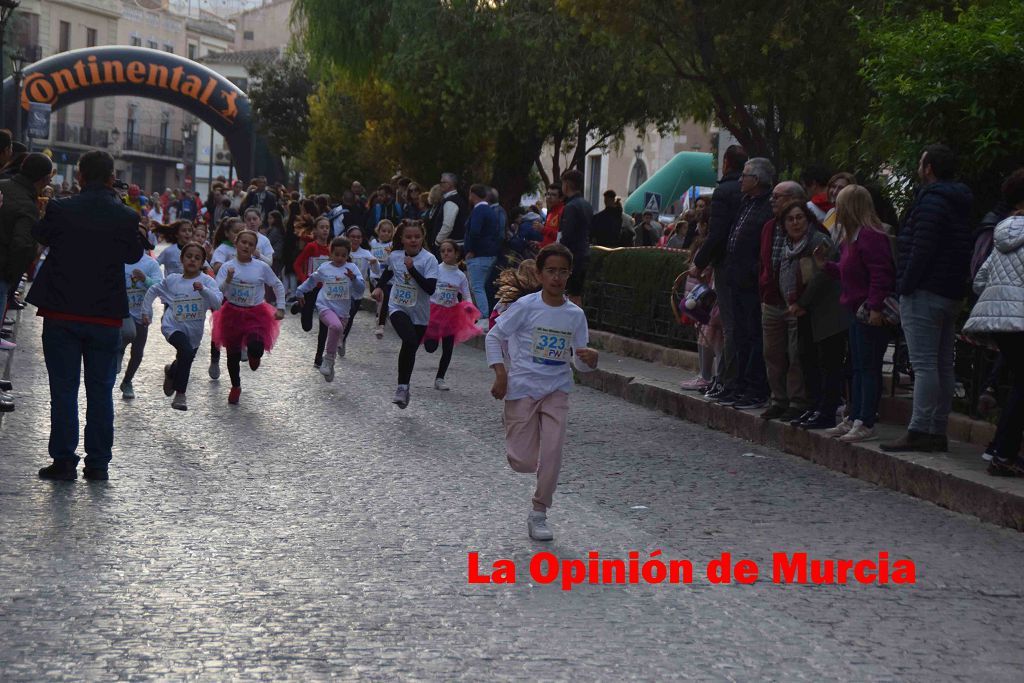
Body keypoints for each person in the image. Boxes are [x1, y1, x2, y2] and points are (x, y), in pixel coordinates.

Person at [28, 150, 150, 481]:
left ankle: (64, 460)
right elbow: (133, 254)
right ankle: (98, 463)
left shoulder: (61, 208)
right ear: (112, 178)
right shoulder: (125, 216)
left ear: (80, 177)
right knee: (100, 392)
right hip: (106, 313)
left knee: (63, 389)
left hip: (62, 310)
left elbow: (40, 235)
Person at [485, 243, 598, 541]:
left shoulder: (575, 315)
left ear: (569, 275)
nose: (557, 278)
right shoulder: (526, 307)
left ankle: (539, 512)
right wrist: (500, 372)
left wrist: (590, 361)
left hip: (557, 389)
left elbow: (579, 360)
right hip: (522, 387)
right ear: (539, 273)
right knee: (522, 461)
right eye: (551, 271)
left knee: (552, 452)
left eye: (563, 272)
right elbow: (494, 336)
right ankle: (514, 426)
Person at [881, 144, 973, 453]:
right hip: (950, 290)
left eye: (922, 163)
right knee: (943, 363)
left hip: (926, 290)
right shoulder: (959, 201)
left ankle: (920, 428)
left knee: (924, 364)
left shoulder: (931, 201)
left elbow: (922, 247)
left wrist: (906, 284)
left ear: (929, 167)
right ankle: (936, 429)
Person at [819, 185, 896, 442]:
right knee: (857, 368)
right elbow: (845, 270)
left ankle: (865, 419)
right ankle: (854, 416)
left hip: (867, 310)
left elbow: (880, 273)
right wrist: (826, 266)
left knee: (868, 367)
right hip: (854, 308)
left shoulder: (870, 236)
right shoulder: (851, 238)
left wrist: (875, 306)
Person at [963, 169, 1024, 476]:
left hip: (997, 320)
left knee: (1019, 385)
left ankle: (1000, 449)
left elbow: (980, 280)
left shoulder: (1002, 231)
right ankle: (1004, 454)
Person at [688, 145, 748, 401]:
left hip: (728, 266)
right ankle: (729, 379)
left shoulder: (724, 191)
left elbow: (718, 233)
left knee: (729, 327)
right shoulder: (750, 195)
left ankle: (727, 380)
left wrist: (699, 263)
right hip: (749, 267)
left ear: (726, 163)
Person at [716, 157, 775, 410]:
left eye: (746, 176)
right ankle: (738, 384)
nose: (741, 179)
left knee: (753, 336)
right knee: (740, 334)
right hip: (735, 279)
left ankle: (754, 387)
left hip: (751, 283)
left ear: (758, 180)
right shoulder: (745, 203)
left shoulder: (767, 208)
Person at [141, 242, 223, 410]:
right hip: (172, 327)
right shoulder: (172, 280)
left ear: (202, 263)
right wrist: (146, 312)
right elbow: (153, 291)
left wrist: (204, 291)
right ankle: (180, 395)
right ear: (182, 259)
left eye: (197, 258)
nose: (192, 260)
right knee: (185, 352)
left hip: (194, 332)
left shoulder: (207, 281)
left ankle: (171, 371)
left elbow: (218, 304)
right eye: (189, 256)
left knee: (186, 356)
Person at [212, 230, 286, 404]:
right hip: (232, 313)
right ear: (236, 243)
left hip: (256, 313)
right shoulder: (227, 267)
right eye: (243, 242)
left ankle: (254, 355)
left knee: (256, 346)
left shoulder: (261, 267)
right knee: (233, 355)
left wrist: (281, 307)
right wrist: (228, 279)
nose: (246, 246)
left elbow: (277, 285)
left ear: (254, 248)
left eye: (250, 244)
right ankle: (235, 386)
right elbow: (217, 291)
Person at [758, 183, 811, 422]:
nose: (772, 201)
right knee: (772, 352)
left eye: (777, 197)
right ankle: (778, 398)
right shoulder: (770, 227)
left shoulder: (808, 230)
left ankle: (797, 401)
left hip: (795, 302)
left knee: (795, 353)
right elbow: (765, 260)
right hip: (772, 299)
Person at [372, 220, 439, 408]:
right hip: (397, 307)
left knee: (409, 348)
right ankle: (401, 387)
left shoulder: (429, 260)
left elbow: (430, 288)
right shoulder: (395, 256)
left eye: (417, 237)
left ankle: (404, 386)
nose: (413, 240)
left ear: (423, 238)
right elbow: (387, 274)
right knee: (409, 341)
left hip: (420, 313)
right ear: (401, 238)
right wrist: (378, 288)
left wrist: (412, 269)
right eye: (409, 237)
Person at [293, 236, 365, 382]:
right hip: (325, 306)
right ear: (330, 253)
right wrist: (300, 291)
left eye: (343, 255)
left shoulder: (352, 269)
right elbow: (312, 280)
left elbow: (361, 289)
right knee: (335, 326)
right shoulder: (325, 268)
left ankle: (329, 366)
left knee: (337, 329)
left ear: (348, 255)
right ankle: (329, 359)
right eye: (336, 254)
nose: (339, 258)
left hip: (343, 311)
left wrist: (354, 279)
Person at [0, 153, 53, 354]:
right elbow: (21, 245)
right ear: (45, 179)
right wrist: (11, 277)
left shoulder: (3, 185)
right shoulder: (27, 205)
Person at [423, 239, 482, 390]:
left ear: (456, 254)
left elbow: (467, 295)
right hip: (434, 312)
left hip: (451, 314)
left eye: (449, 251)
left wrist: (469, 307)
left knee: (448, 348)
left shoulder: (460, 275)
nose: (446, 253)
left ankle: (440, 378)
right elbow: (427, 288)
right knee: (430, 347)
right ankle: (430, 340)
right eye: (443, 251)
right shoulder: (435, 269)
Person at [118, 251, 163, 400]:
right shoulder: (118, 258)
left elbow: (159, 286)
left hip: (142, 313)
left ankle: (127, 381)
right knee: (126, 335)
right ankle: (117, 356)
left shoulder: (150, 263)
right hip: (122, 312)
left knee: (137, 353)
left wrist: (145, 279)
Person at [292, 216, 332, 368]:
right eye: (321, 227)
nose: (324, 230)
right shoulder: (311, 247)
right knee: (307, 326)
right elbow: (297, 264)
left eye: (327, 227)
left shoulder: (331, 249)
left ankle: (318, 358)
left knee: (324, 325)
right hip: (311, 288)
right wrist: (304, 281)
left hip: (326, 291)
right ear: (315, 230)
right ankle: (299, 306)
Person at [464, 184, 502, 319]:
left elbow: (474, 231)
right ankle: (482, 313)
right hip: (490, 253)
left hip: (479, 255)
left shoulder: (479, 211)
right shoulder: (491, 211)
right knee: (481, 286)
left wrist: (471, 249)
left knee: (477, 286)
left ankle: (483, 315)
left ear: (472, 195)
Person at [342, 226, 381, 354]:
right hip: (341, 291)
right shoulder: (342, 251)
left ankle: (342, 339)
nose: (355, 239)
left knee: (349, 317)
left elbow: (376, 271)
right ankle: (337, 336)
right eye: (352, 236)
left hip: (357, 292)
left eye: (358, 237)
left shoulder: (365, 253)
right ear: (347, 237)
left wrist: (374, 263)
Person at [558, 169, 593, 306]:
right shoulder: (587, 205)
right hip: (584, 253)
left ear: (566, 185)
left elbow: (567, 235)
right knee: (576, 293)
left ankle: (570, 324)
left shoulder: (571, 207)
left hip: (572, 256)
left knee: (570, 293)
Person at [371, 219, 396, 339]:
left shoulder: (393, 245)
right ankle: (380, 318)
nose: (385, 233)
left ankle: (380, 322)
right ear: (378, 231)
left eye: (388, 231)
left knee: (385, 298)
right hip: (375, 276)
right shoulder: (373, 243)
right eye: (383, 231)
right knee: (379, 300)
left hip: (389, 278)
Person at [432, 172, 469, 247]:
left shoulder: (451, 201)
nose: (440, 184)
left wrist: (437, 241)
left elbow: (448, 226)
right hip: (453, 245)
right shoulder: (456, 198)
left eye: (442, 182)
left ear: (449, 184)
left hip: (452, 246)